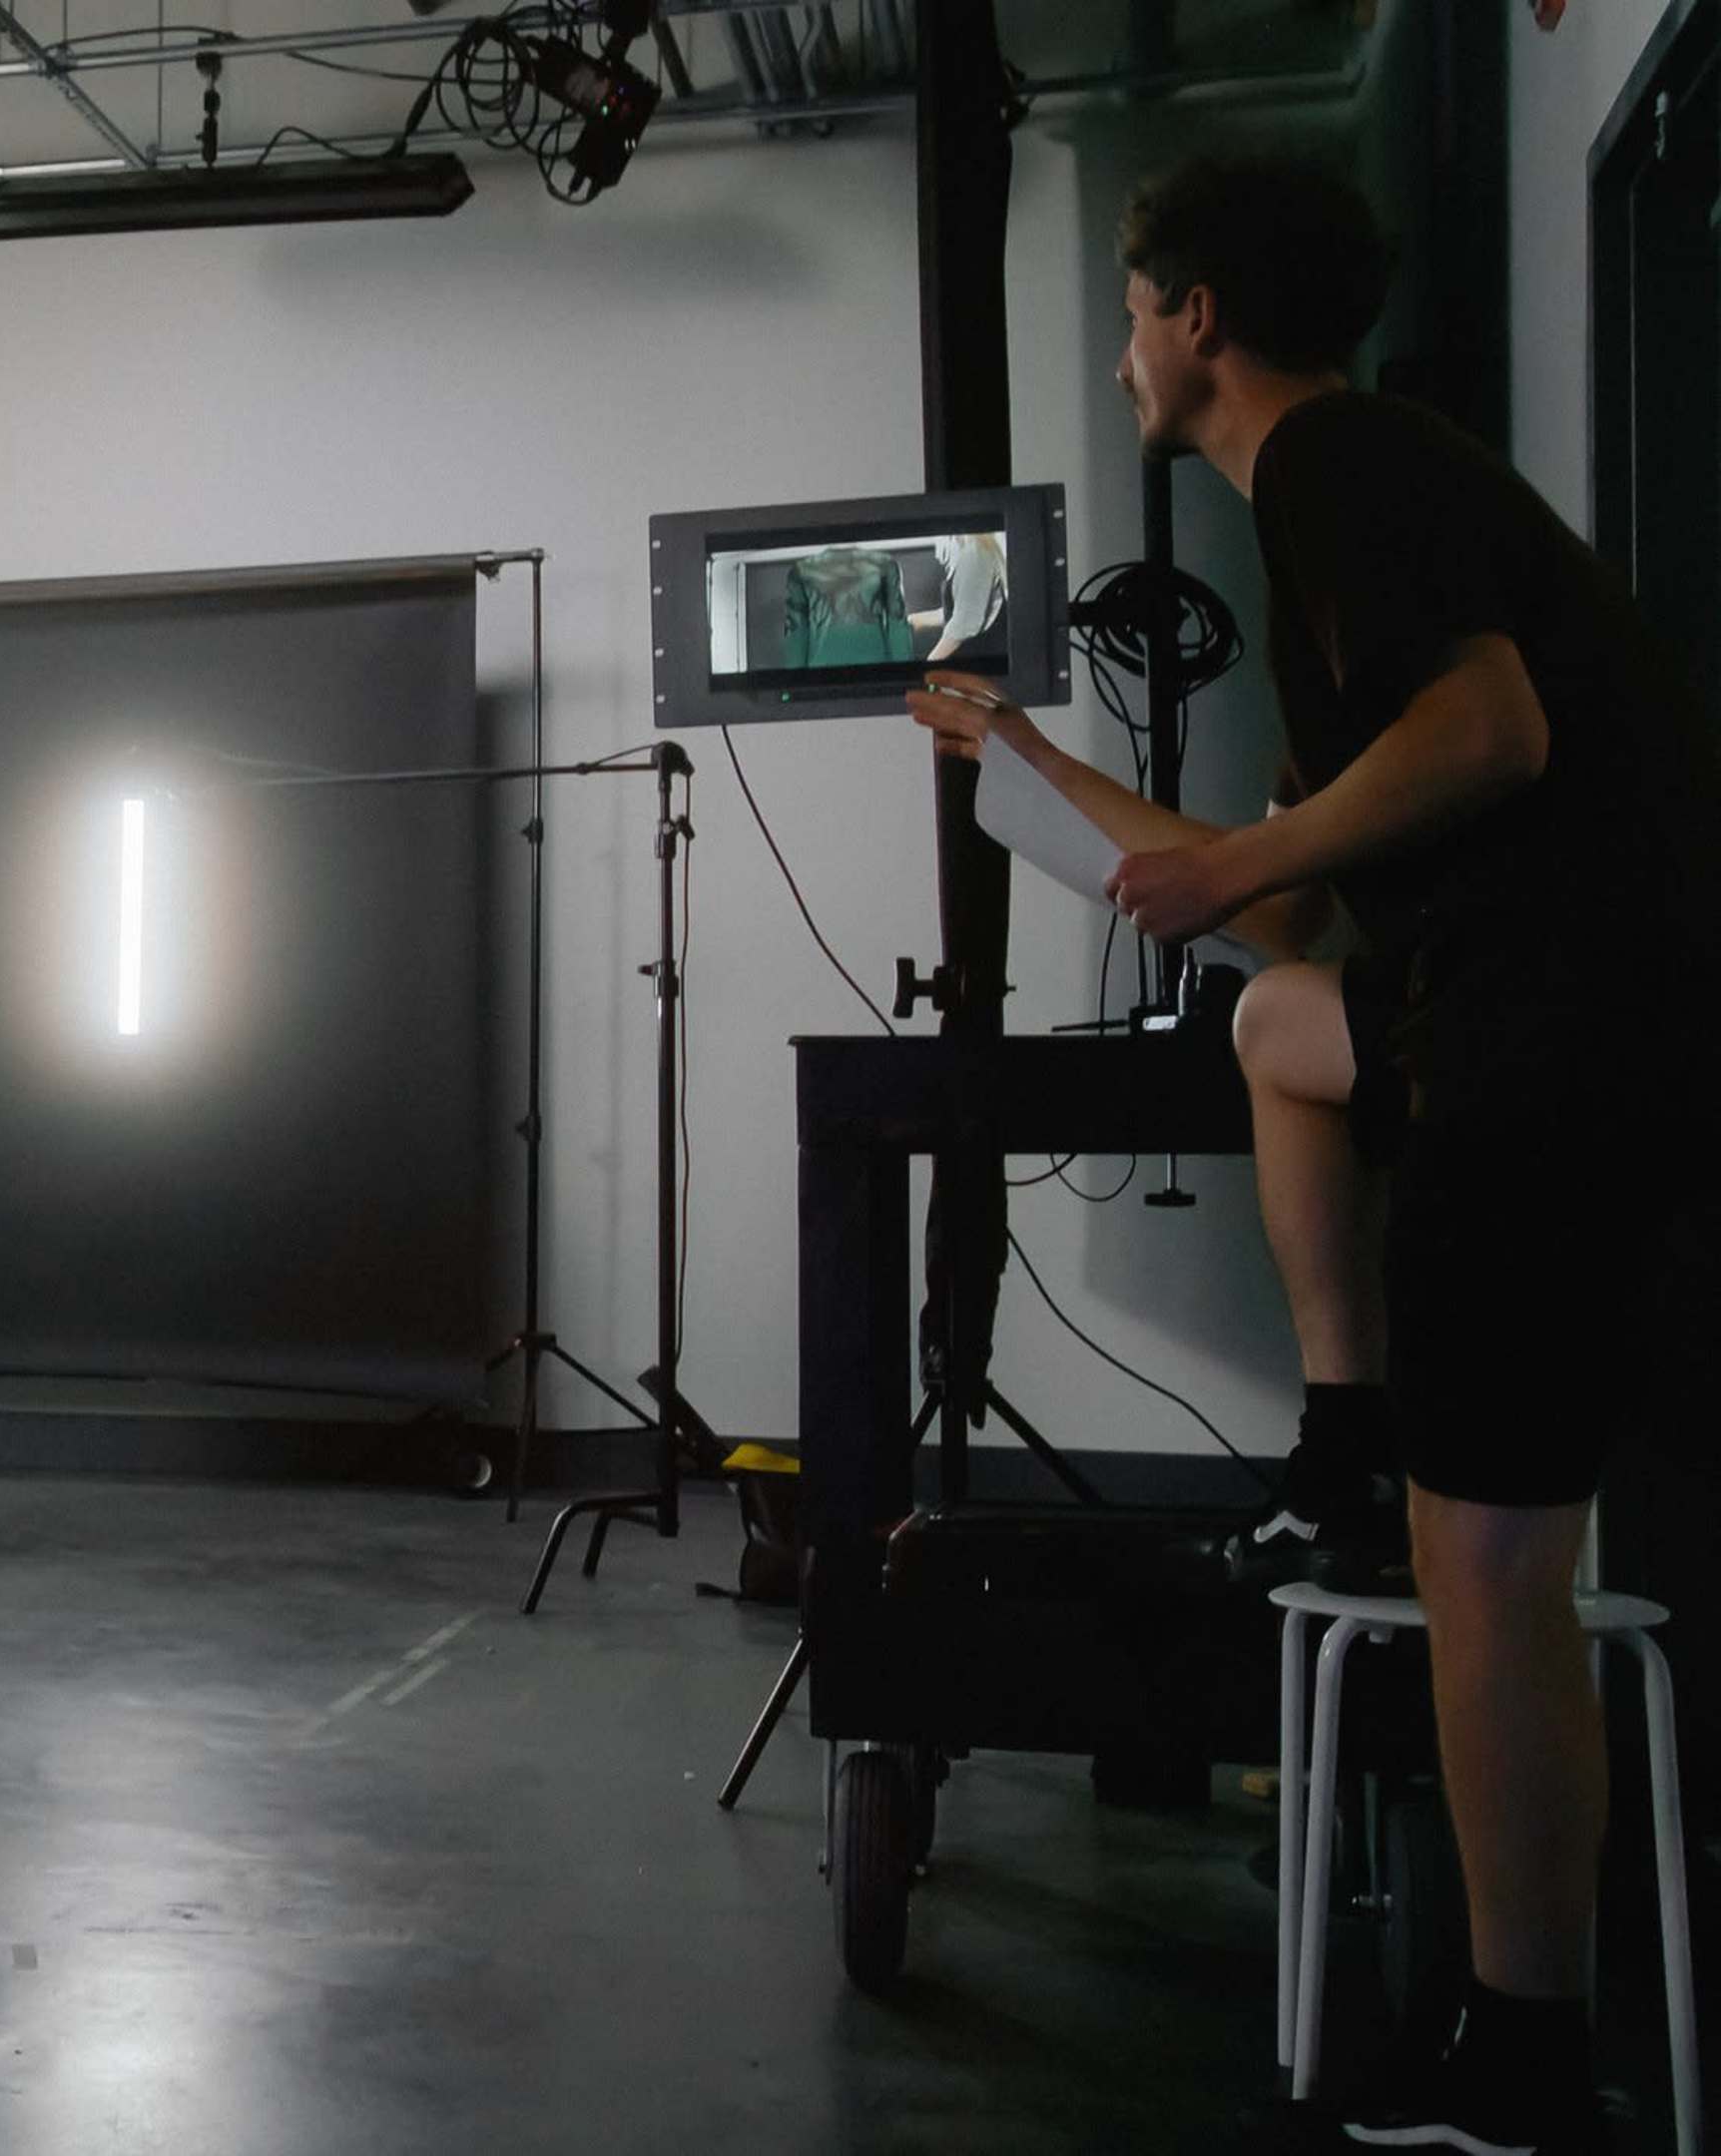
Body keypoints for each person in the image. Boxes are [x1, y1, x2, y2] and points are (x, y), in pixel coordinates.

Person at [914, 154, 1715, 2151]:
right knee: (1280, 1034)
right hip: (1526, 1030)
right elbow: (1276, 934)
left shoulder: (1342, 465)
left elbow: (1493, 733)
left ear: (1194, 317)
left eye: (1127, 312)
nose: (1118, 356)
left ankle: (1527, 2070)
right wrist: (1027, 769)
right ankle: (1338, 1449)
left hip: (1562, 1052)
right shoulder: (1363, 507)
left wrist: (1248, 855)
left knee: (1495, 1565)